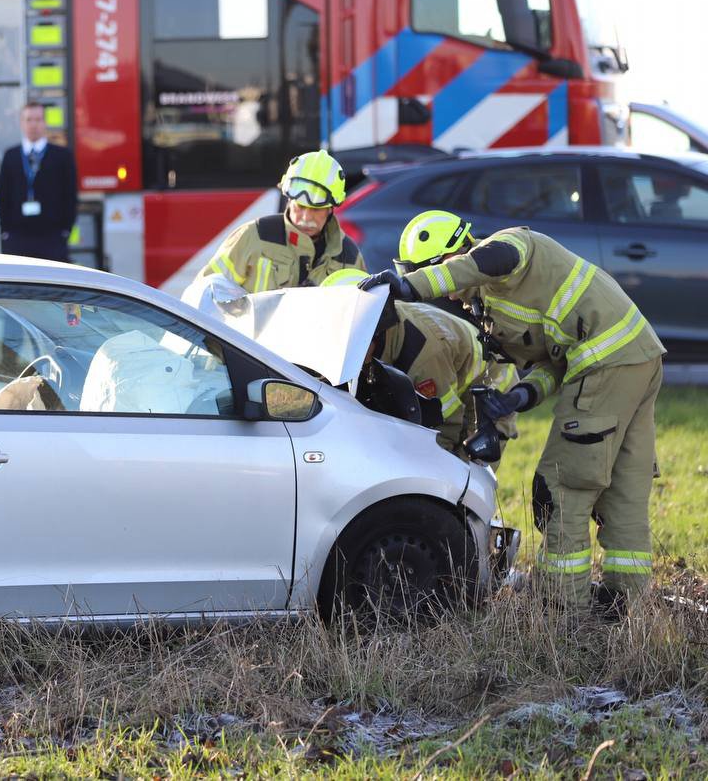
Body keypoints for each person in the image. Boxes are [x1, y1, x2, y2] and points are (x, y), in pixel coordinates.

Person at [360, 210, 665, 612]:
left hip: (606, 363)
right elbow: (553, 366)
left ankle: (562, 608)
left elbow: (477, 265)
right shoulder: (489, 305)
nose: (449, 295)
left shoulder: (509, 250)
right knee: (624, 488)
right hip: (638, 357)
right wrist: (518, 398)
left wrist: (407, 285)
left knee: (561, 487)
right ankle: (627, 605)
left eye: (437, 277)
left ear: (452, 259)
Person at [321, 268, 516, 462]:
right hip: (449, 384)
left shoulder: (423, 353)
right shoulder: (380, 327)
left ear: (375, 330)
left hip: (491, 394)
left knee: (462, 471)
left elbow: (445, 425)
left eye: (352, 341)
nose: (344, 349)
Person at [200, 149, 364, 293]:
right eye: (299, 206)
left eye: (315, 209)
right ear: (289, 200)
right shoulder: (254, 237)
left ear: (330, 209)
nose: (306, 217)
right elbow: (205, 292)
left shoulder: (349, 256)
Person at [0, 102, 78, 262]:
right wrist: (5, 232)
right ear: (21, 123)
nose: (33, 125)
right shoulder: (11, 156)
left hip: (52, 236)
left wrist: (65, 231)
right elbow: (3, 196)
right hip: (17, 237)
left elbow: (70, 195)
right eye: (28, 120)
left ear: (45, 122)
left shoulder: (62, 156)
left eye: (38, 119)